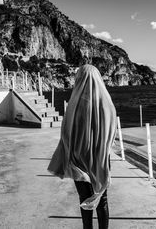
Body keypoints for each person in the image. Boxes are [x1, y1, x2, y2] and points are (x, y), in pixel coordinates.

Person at [48, 65, 117, 229]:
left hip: (78, 159)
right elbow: (111, 133)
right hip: (101, 158)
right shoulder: (107, 102)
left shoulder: (75, 104)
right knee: (102, 199)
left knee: (84, 199)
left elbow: (66, 133)